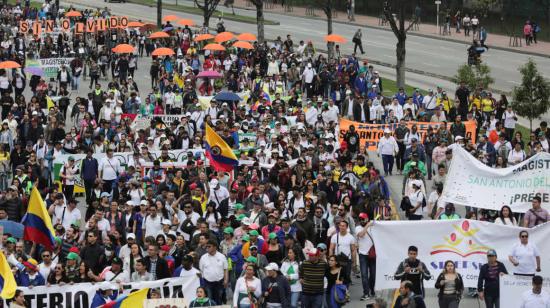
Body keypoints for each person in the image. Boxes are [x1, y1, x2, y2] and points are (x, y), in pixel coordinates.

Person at [199, 240, 229, 305]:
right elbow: (201, 271)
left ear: (215, 247)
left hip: (219, 282)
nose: (207, 248)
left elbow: (225, 269)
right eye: (206, 247)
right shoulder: (203, 257)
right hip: (207, 283)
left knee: (219, 299)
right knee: (209, 300)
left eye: (209, 246)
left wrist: (226, 280)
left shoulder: (222, 256)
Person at [356, 213, 375, 300]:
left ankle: (372, 290)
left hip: (372, 255)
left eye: (363, 219)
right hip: (362, 254)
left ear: (367, 218)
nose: (361, 221)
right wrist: (367, 225)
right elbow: (361, 234)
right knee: (364, 275)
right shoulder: (358, 228)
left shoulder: (373, 227)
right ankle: (366, 293)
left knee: (373, 275)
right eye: (360, 219)